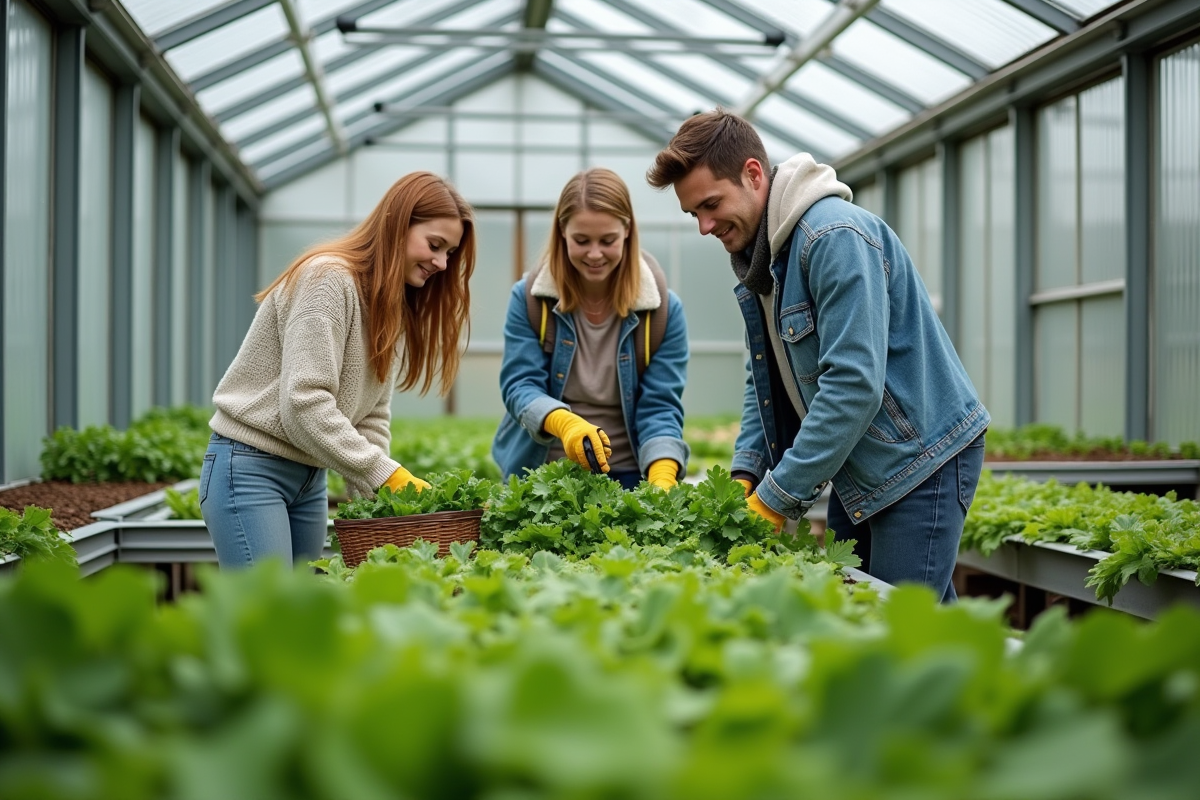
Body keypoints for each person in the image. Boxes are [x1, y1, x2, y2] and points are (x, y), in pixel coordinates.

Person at [647, 109, 988, 601]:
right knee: (886, 612)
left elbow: (853, 387)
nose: (703, 226)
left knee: (896, 628)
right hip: (862, 463)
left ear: (753, 174)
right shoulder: (763, 258)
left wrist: (776, 498)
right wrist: (745, 474)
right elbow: (762, 380)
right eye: (692, 213)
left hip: (920, 461)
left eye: (711, 204)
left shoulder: (831, 238)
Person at [200, 172, 476, 568]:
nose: (441, 263)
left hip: (310, 477)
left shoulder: (389, 304)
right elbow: (304, 403)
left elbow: (372, 416)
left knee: (304, 616)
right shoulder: (327, 279)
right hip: (250, 470)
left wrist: (379, 502)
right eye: (435, 245)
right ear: (398, 224)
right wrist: (385, 475)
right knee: (267, 618)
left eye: (449, 253)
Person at [492, 167, 689, 490]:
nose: (594, 254)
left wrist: (662, 475)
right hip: (543, 474)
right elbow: (519, 386)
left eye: (607, 240)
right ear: (562, 233)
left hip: (629, 473)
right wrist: (564, 423)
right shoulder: (530, 300)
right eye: (581, 241)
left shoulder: (663, 310)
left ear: (627, 231)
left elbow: (661, 404)